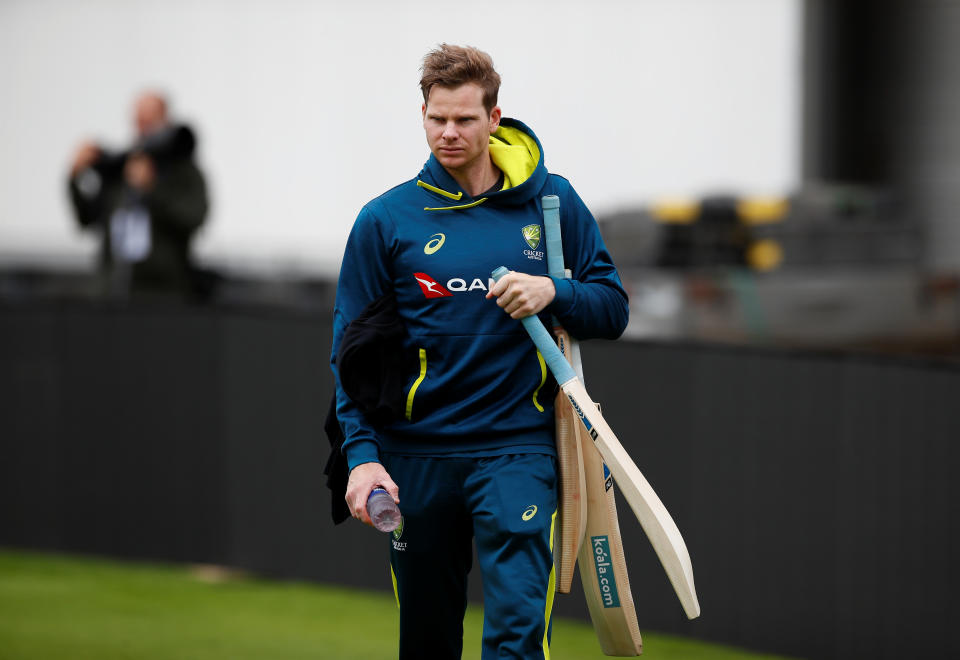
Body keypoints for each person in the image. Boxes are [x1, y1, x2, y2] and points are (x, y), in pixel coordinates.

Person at [331, 44, 628, 659]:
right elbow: (350, 358)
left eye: (464, 119)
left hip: (518, 448)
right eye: (436, 118)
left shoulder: (553, 202)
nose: (448, 133)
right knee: (428, 642)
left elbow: (613, 306)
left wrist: (555, 291)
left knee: (517, 640)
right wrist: (361, 458)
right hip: (416, 458)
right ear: (422, 114)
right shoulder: (386, 220)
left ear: (495, 118)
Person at [67, 91, 209, 299]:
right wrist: (75, 177)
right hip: (113, 291)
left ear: (166, 120)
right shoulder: (122, 167)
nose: (144, 127)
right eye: (139, 120)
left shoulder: (183, 171)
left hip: (164, 294)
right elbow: (86, 219)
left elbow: (194, 217)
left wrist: (151, 189)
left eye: (150, 120)